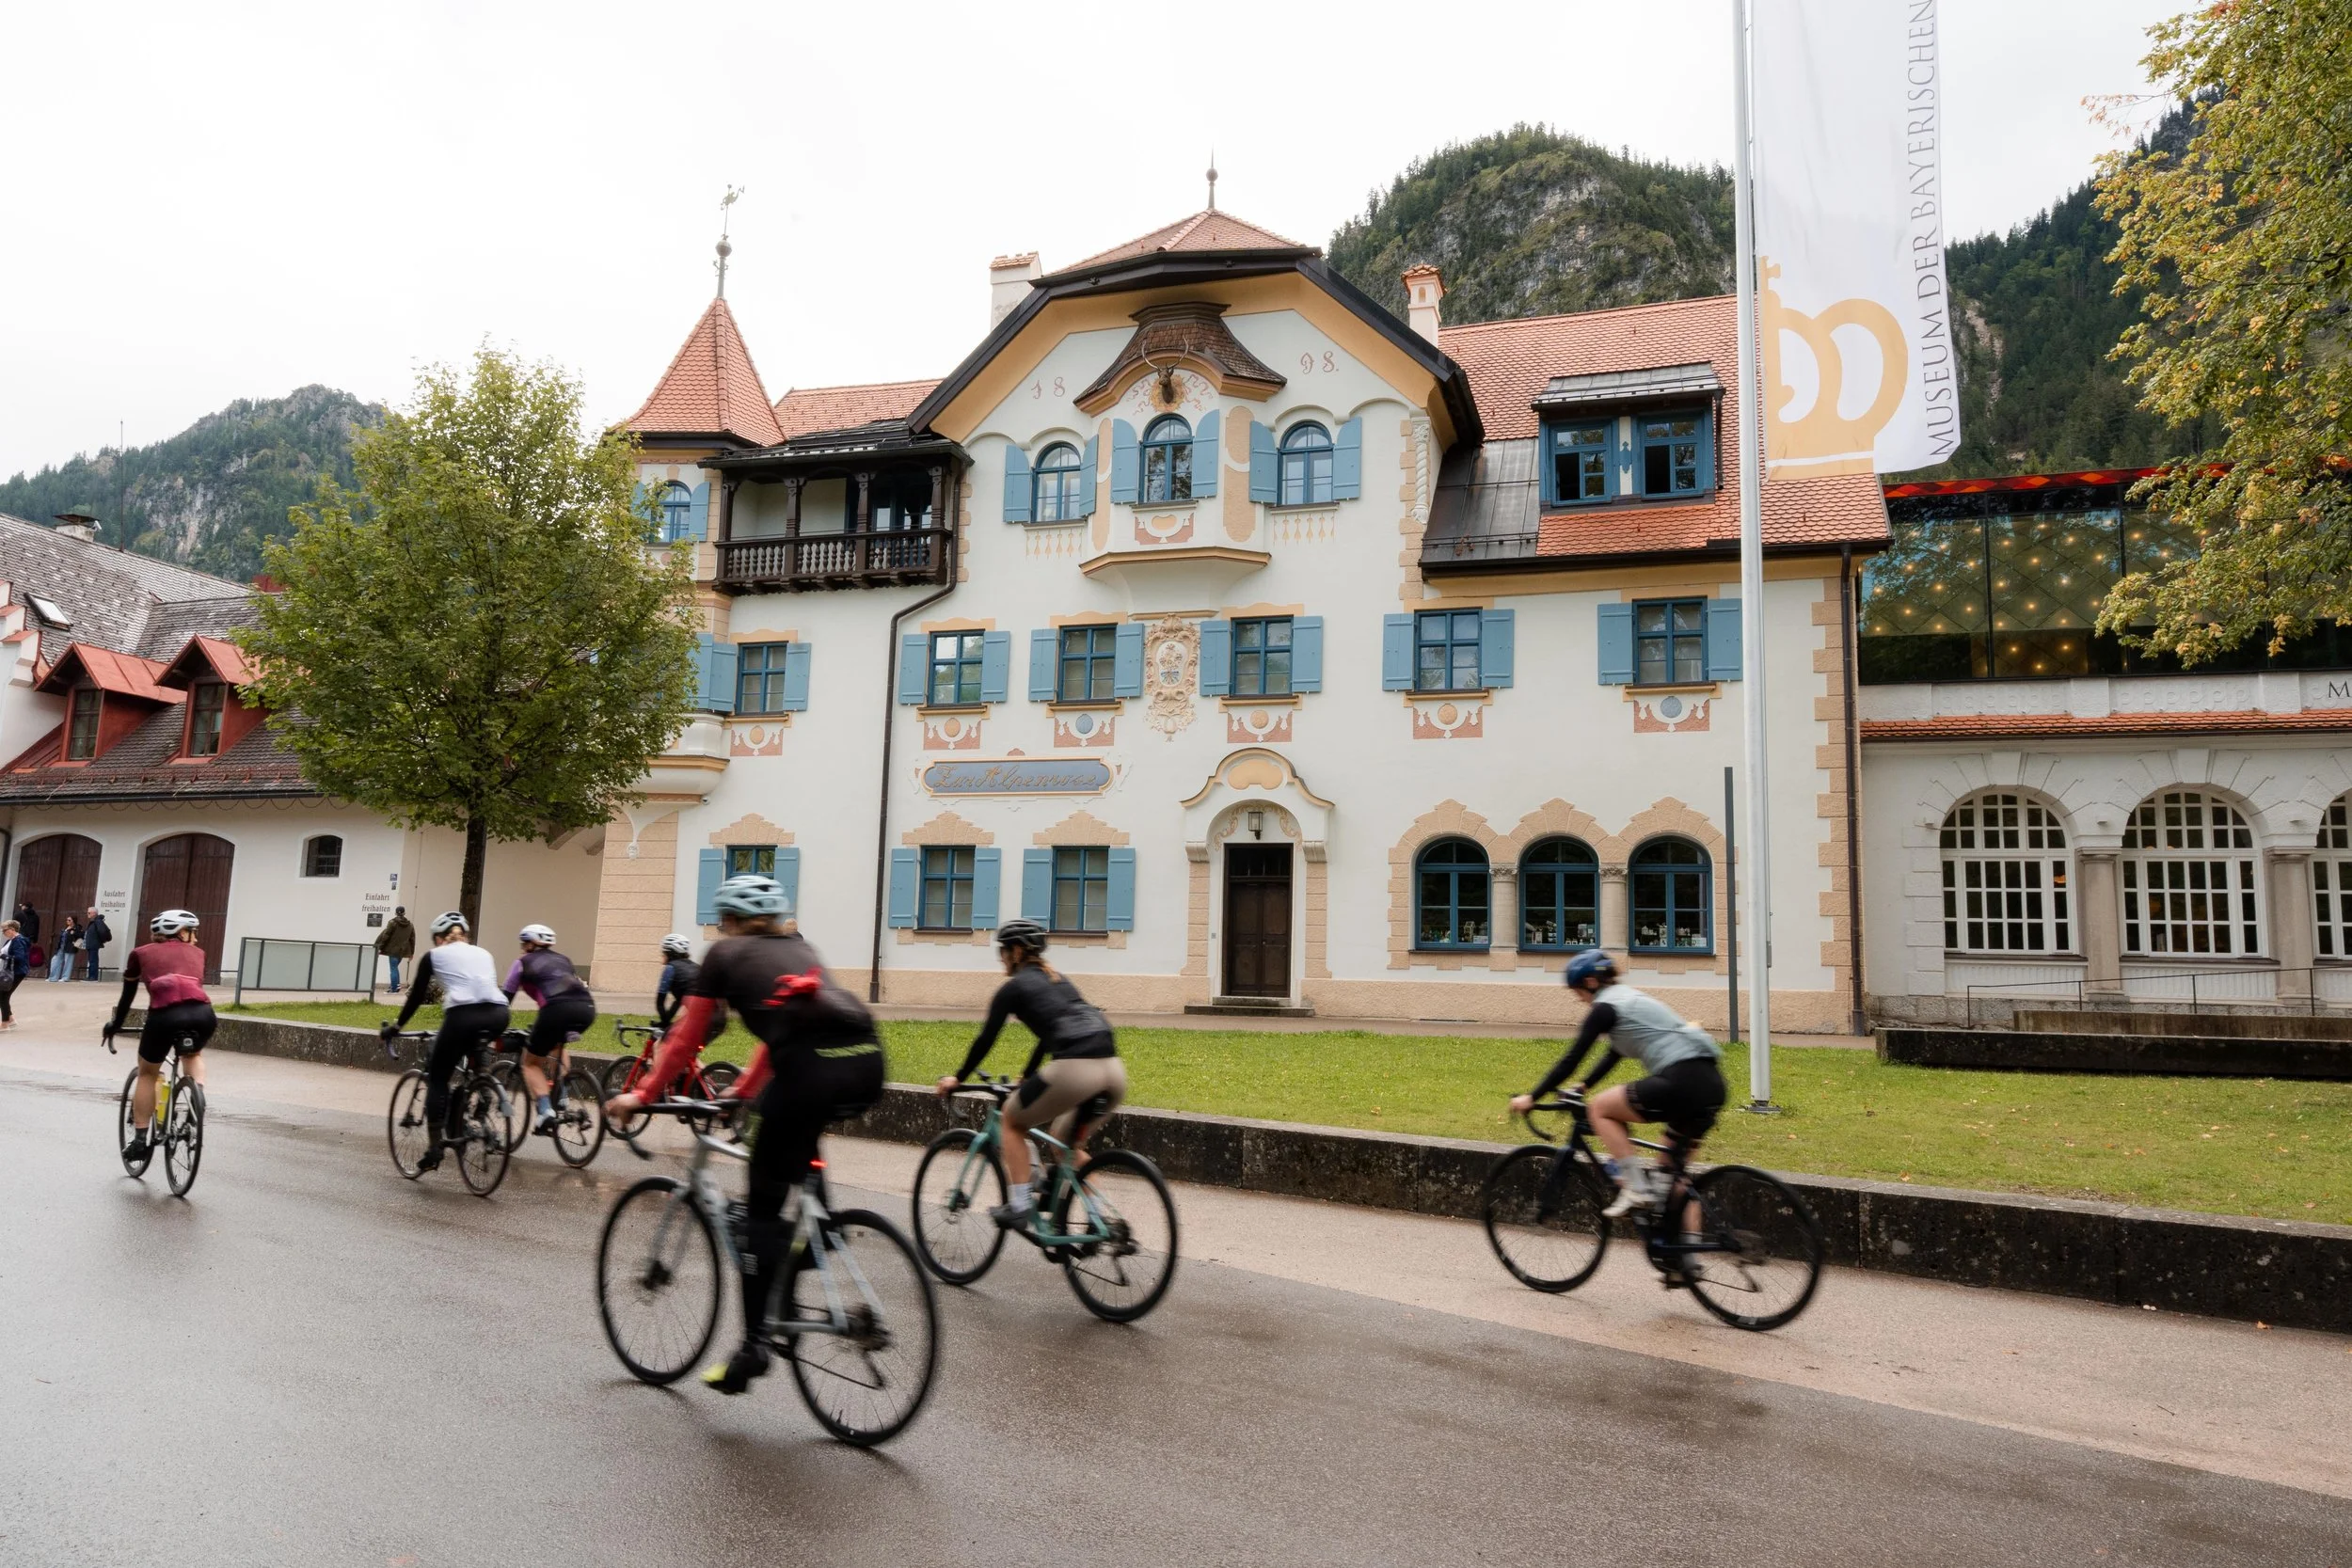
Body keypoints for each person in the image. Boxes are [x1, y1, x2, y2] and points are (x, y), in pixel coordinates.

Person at [604, 875, 883, 1397]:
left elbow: (686, 1037)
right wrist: (745, 1091)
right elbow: (780, 1035)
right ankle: (817, 1238)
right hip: (866, 1066)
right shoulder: (801, 949)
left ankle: (753, 1347)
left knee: (760, 1213)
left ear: (728, 919)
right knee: (797, 1147)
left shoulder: (724, 954)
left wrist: (641, 1095)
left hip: (809, 1075)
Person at [933, 918, 1125, 1232]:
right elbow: (1052, 1033)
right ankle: (1099, 1220)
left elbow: (986, 1039)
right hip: (1113, 1071)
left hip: (1076, 1068)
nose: (1001, 958)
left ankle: (1020, 1206)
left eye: (1003, 951)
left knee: (1011, 1120)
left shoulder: (1012, 989)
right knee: (1065, 1145)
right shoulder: (1059, 980)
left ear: (1018, 952)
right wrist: (1030, 1073)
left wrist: (958, 1077)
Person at [1510, 951, 1727, 1219]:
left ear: (1590, 982)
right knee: (1672, 1178)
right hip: (1711, 1085)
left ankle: (1635, 1188)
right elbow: (1614, 1053)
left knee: (1600, 1109)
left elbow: (1572, 1059)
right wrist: (1584, 1085)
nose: (1578, 998)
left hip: (1681, 1080)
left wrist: (1531, 1097)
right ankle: (1686, 1245)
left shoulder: (1604, 1008)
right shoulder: (1628, 998)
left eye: (1577, 991)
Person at [377, 911, 509, 1174]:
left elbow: (416, 997)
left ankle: (435, 1148)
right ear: (465, 935)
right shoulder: (484, 953)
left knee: (438, 1078)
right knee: (474, 1057)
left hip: (462, 1016)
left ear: (439, 938)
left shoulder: (434, 956)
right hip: (499, 1014)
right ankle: (481, 1092)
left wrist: (397, 1027)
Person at [102, 910, 218, 1161]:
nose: (196, 939)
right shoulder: (198, 954)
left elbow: (127, 996)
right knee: (193, 1055)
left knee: (147, 1073)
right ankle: (197, 1094)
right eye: (193, 932)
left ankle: (140, 1141)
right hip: (203, 1014)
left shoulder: (140, 953)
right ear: (181, 932)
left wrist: (115, 1024)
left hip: (165, 1016)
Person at [502, 923, 596, 1136]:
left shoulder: (521, 963)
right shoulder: (564, 960)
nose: (522, 948)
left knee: (530, 1063)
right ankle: (562, 1095)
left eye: (523, 944)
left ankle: (545, 1111)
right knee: (557, 1044)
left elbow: (504, 1001)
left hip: (556, 1011)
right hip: (587, 1010)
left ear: (530, 944)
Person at [376, 906, 416, 993]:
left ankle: (394, 988)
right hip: (402, 951)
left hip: (393, 950)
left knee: (393, 968)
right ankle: (396, 987)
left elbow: (386, 936)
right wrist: (412, 953)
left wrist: (380, 947)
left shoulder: (392, 923)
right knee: (395, 968)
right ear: (404, 913)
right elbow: (412, 939)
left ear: (395, 913)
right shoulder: (410, 925)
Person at [0, 919, 25, 1029]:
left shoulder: (19, 941)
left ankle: (5, 1023)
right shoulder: (11, 940)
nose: (3, 933)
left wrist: (4, 956)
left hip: (16, 972)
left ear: (12, 929)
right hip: (8, 971)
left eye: (4, 930)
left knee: (3, 996)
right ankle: (11, 1020)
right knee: (4, 995)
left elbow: (19, 958)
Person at [81, 908, 111, 981]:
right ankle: (90, 976)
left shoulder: (98, 921)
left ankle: (93, 977)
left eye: (89, 913)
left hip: (94, 944)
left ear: (94, 913)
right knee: (91, 961)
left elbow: (102, 932)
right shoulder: (94, 921)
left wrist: (101, 940)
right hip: (91, 944)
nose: (87, 914)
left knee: (93, 961)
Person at [48, 915, 81, 982]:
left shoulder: (76, 928)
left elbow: (80, 935)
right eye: (67, 920)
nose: (67, 921)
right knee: (55, 961)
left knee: (68, 963)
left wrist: (74, 932)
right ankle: (53, 977)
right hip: (61, 947)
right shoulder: (65, 928)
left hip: (70, 947)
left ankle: (65, 978)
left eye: (69, 920)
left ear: (73, 921)